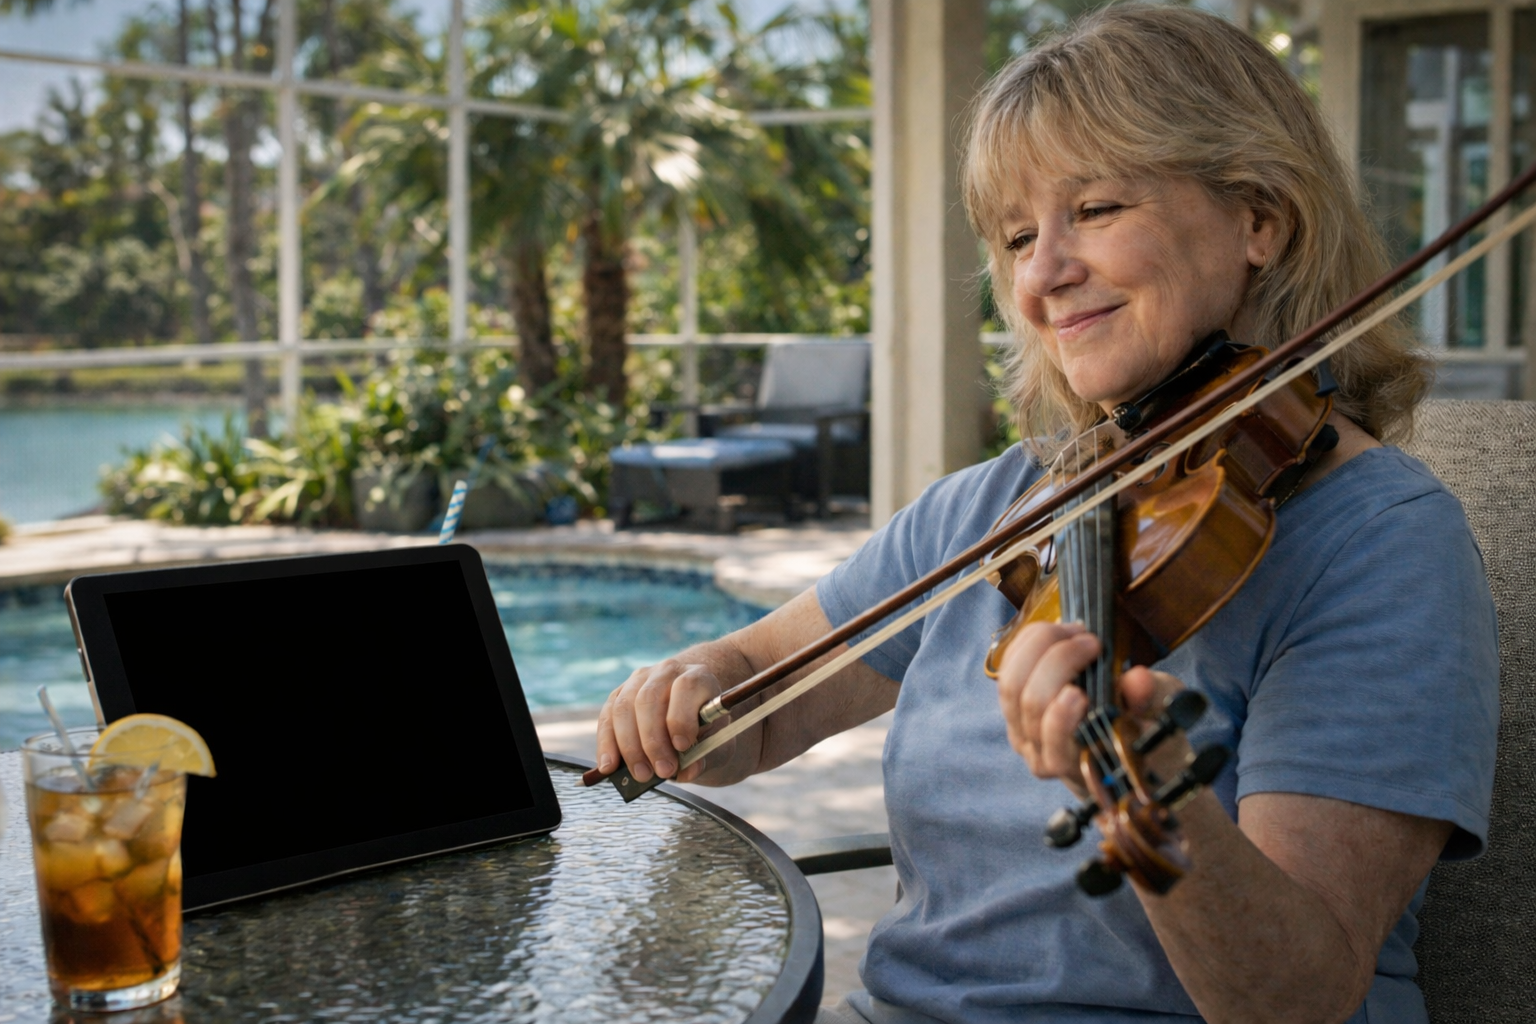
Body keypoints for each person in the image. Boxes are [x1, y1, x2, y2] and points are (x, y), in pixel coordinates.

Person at [593, 7, 1499, 1023]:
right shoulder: (998, 505)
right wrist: (694, 687)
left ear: (1259, 218)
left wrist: (1141, 793)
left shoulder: (1379, 539)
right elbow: (761, 698)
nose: (1040, 275)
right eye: (1018, 237)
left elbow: (1297, 996)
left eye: (1097, 209)